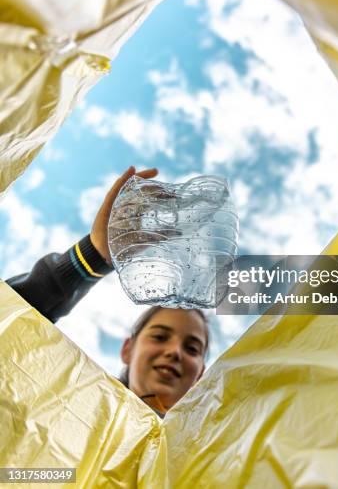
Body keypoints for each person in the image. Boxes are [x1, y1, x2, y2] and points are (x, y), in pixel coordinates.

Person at [6, 166, 209, 418]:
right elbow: (8, 329)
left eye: (192, 349)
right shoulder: (70, 404)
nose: (174, 352)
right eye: (159, 337)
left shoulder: (208, 452)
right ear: (128, 350)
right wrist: (93, 255)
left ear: (200, 375)